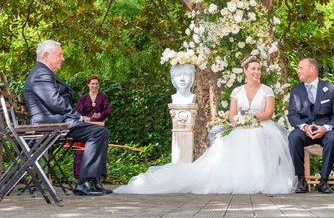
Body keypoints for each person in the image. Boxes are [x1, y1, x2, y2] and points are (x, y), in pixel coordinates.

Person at [114, 57, 296, 194]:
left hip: (262, 126)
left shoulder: (267, 90)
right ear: (245, 71)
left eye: (259, 69)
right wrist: (238, 121)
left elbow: (268, 113)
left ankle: (260, 180)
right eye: (253, 69)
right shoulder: (236, 91)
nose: (257, 72)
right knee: (228, 144)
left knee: (256, 136)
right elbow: (232, 115)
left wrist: (252, 118)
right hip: (241, 127)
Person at [23, 40, 111, 196]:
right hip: (48, 123)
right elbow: (55, 102)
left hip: (54, 120)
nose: (62, 58)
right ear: (46, 55)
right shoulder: (41, 73)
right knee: (98, 132)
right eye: (59, 54)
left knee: (101, 131)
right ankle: (85, 183)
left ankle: (93, 181)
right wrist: (79, 116)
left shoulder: (43, 72)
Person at [287, 58, 334, 194]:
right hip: (305, 131)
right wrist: (304, 127)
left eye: (301, 68)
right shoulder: (296, 90)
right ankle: (301, 180)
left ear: (312, 69)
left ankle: (323, 181)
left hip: (326, 130)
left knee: (332, 139)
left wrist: (325, 128)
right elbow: (292, 115)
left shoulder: (330, 89)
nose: (298, 71)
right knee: (293, 138)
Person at [73, 75, 111, 178]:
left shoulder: (103, 97)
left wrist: (100, 115)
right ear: (88, 85)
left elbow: (108, 110)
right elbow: (77, 113)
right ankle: (80, 175)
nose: (94, 86)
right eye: (92, 83)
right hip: (84, 127)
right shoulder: (83, 98)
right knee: (82, 150)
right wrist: (84, 117)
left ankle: (96, 176)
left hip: (98, 127)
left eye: (96, 84)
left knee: (98, 150)